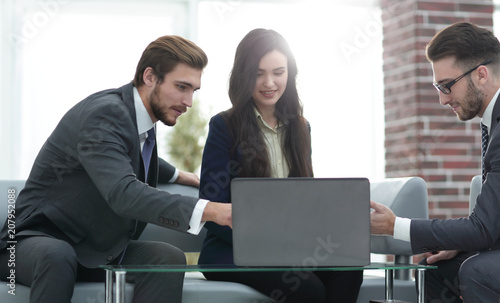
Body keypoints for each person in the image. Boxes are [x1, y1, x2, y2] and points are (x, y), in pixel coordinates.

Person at [0, 35, 232, 303]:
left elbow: (127, 154)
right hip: (30, 242)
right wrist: (211, 209)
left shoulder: (139, 119)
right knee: (57, 255)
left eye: (193, 90)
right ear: (149, 77)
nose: (188, 101)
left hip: (87, 249)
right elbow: (124, 193)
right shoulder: (105, 114)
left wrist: (179, 175)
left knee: (167, 258)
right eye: (181, 87)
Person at [197, 28, 363, 303]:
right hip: (232, 250)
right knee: (308, 288)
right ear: (243, 75)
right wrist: (267, 242)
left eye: (278, 71)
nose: (269, 82)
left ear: (290, 73)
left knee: (349, 269)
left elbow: (305, 199)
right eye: (258, 73)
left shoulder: (301, 127)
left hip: (289, 249)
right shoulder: (224, 126)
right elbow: (211, 206)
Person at [370, 21, 500, 302]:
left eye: (447, 86)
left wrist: (394, 226)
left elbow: (484, 228)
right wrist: (456, 244)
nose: (442, 100)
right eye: (437, 87)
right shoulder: (492, 121)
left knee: (477, 270)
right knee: (435, 268)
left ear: (480, 74)